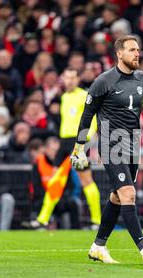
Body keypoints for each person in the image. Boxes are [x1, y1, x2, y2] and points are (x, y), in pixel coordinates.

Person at [71, 35, 143, 264]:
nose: (137, 54)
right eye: (132, 50)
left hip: (132, 145)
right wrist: (79, 148)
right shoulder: (103, 81)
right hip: (110, 144)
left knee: (117, 196)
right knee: (128, 193)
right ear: (119, 54)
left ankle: (98, 246)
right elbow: (87, 117)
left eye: (138, 50)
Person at [24, 67, 102, 230]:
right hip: (64, 143)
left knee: (86, 180)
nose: (70, 81)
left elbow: (94, 116)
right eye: (67, 78)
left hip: (77, 142)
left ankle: (97, 221)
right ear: (63, 79)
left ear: (78, 79)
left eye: (73, 78)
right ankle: (43, 219)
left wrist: (85, 138)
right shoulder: (64, 97)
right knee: (54, 179)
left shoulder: (83, 95)